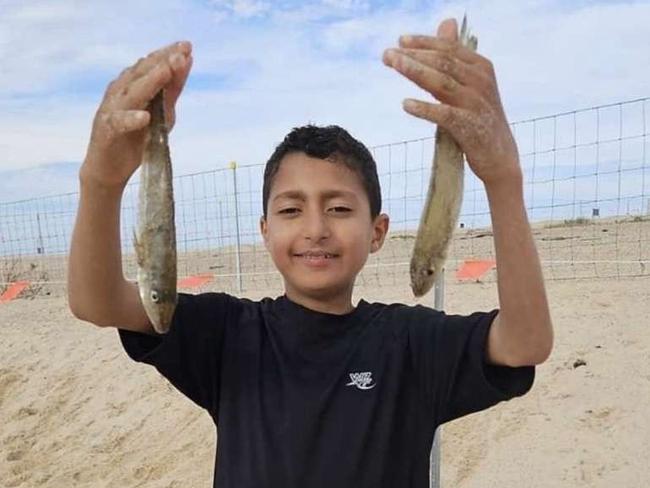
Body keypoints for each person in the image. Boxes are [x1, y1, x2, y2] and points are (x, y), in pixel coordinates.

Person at [68, 17, 553, 488]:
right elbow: (97, 301)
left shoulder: (411, 343)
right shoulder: (226, 335)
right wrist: (101, 180)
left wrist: (502, 178)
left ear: (377, 231)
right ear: (265, 229)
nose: (316, 229)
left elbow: (525, 343)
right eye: (291, 210)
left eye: (340, 208)